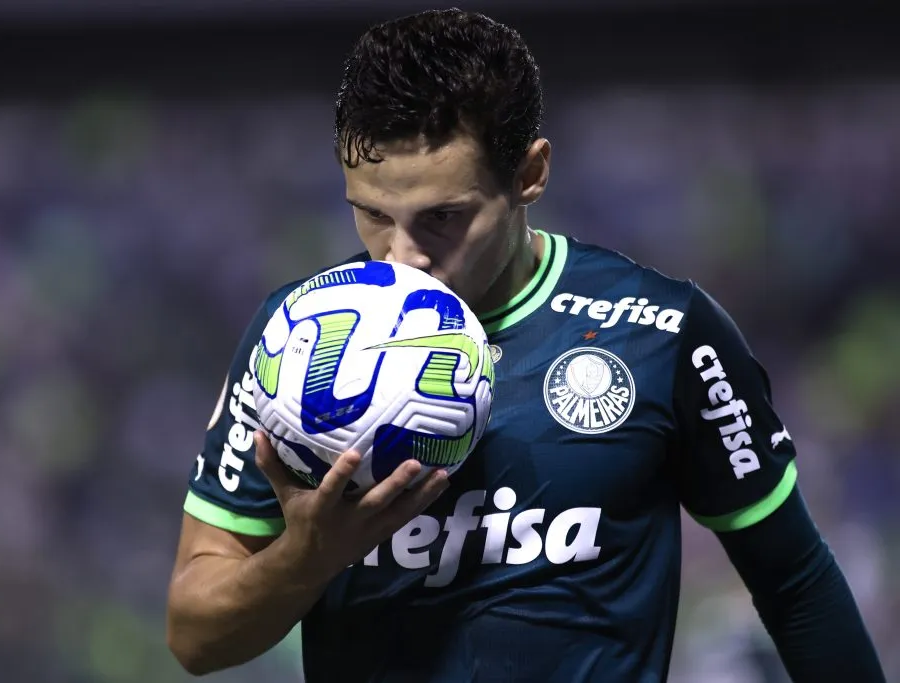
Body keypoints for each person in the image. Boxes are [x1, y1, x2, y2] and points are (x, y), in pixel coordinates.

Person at [166, 9, 885, 682]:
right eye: (373, 215)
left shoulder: (665, 332)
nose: (402, 257)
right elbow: (195, 637)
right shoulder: (298, 343)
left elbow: (795, 584)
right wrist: (306, 557)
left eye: (442, 217)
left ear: (530, 174)